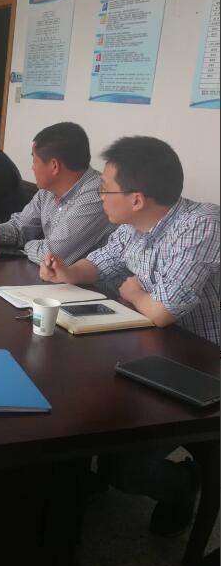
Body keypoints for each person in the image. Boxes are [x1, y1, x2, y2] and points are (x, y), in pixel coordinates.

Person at [39, 136, 219, 536]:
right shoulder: (132, 227)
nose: (99, 195)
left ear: (136, 199)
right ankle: (71, 482)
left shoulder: (201, 224)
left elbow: (163, 311)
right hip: (153, 346)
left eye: (106, 188)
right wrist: (66, 271)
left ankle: (183, 484)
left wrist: (135, 294)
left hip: (202, 363)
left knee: (125, 465)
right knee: (74, 395)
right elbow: (98, 264)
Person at [0, 122, 115, 265]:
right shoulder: (47, 191)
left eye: (34, 160)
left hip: (89, 282)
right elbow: (20, 228)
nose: (32, 167)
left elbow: (51, 255)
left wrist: (26, 246)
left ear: (54, 166)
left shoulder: (98, 194)